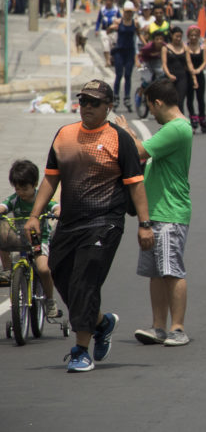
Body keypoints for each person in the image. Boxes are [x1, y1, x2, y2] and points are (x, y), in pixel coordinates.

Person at [24, 80, 153, 373]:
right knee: (59, 274)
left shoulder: (118, 139)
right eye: (83, 101)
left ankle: (81, 350)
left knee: (85, 281)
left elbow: (136, 185)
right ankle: (100, 322)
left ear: (108, 107)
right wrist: (34, 215)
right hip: (69, 223)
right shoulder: (64, 135)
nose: (87, 107)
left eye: (94, 103)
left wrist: (145, 225)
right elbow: (50, 178)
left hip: (104, 222)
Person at [116, 79, 193, 347]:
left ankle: (178, 328)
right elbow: (144, 155)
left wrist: (125, 132)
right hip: (156, 211)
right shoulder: (172, 129)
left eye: (151, 108)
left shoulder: (177, 128)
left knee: (172, 270)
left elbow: (139, 151)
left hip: (170, 210)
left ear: (158, 103)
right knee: (156, 272)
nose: (152, 114)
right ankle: (158, 327)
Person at [0, 160, 61, 317]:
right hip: (20, 237)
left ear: (34, 184)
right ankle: (7, 269)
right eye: (17, 188)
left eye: (25, 188)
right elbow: (4, 206)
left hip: (37, 239)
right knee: (2, 237)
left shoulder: (41, 199)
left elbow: (54, 205)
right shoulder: (15, 199)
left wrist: (58, 211)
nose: (21, 192)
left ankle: (49, 300)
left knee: (43, 269)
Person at [184, 26, 206, 134]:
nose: (193, 37)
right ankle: (193, 117)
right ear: (188, 36)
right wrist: (192, 71)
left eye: (195, 35)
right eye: (191, 35)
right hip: (188, 74)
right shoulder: (186, 47)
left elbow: (205, 61)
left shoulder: (203, 47)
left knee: (200, 98)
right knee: (190, 98)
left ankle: (202, 117)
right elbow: (186, 62)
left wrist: (198, 70)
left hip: (199, 74)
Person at [111, 1, 139, 112]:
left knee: (128, 75)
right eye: (127, 12)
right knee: (118, 75)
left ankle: (127, 97)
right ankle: (116, 97)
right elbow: (108, 30)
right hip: (119, 52)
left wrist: (146, 44)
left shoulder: (135, 23)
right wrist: (111, 28)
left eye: (130, 12)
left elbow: (139, 34)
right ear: (124, 12)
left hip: (129, 52)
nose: (128, 14)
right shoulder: (119, 22)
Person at [161, 27, 195, 115]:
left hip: (182, 77)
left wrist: (194, 77)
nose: (178, 39)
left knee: (180, 101)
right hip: (170, 77)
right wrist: (169, 75)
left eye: (180, 37)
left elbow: (189, 63)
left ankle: (180, 121)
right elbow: (164, 64)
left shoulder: (185, 48)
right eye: (176, 36)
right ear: (172, 35)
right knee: (170, 102)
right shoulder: (165, 48)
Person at [96, 0, 121, 68]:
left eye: (109, 1)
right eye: (107, 1)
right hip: (104, 30)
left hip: (114, 30)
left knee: (113, 46)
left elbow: (120, 19)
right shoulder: (102, 10)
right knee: (105, 45)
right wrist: (97, 29)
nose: (108, 3)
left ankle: (112, 59)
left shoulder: (116, 10)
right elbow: (98, 20)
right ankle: (107, 61)